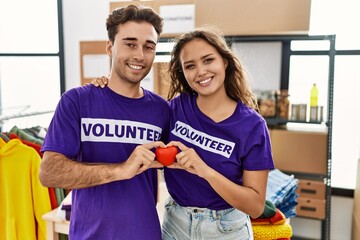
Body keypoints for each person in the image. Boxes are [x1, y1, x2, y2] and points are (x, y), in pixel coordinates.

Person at [93, 27, 275, 240]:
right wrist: (108, 89)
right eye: (190, 66)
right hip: (176, 225)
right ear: (183, 73)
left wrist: (204, 170)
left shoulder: (253, 126)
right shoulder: (173, 110)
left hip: (226, 230)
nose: (200, 71)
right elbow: (131, 115)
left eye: (208, 60)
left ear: (224, 62)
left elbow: (255, 206)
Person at [39, 5, 170, 240]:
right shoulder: (76, 101)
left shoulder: (162, 109)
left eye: (148, 47)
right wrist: (121, 170)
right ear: (110, 47)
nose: (140, 54)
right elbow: (49, 173)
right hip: (89, 235)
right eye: (130, 44)